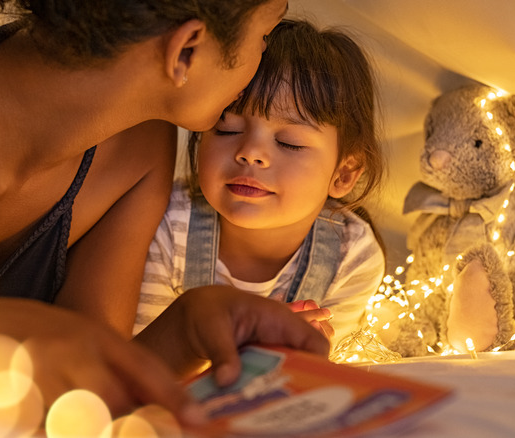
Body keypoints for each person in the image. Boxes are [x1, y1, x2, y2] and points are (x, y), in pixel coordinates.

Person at [0, 0, 332, 422]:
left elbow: (81, 393)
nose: (263, 55)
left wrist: (189, 328)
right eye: (264, 35)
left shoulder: (141, 152)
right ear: (187, 48)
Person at [135, 19, 386, 347]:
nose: (251, 153)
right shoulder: (166, 225)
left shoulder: (352, 256)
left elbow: (321, 374)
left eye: (289, 142)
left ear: (344, 174)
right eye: (228, 129)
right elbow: (140, 361)